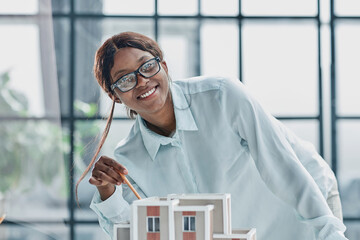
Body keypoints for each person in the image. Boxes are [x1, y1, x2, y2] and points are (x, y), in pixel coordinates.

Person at [76, 31, 347, 240]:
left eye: (147, 66)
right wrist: (107, 192)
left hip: (309, 205)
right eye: (125, 79)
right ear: (115, 96)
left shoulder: (222, 96)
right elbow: (138, 231)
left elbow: (282, 167)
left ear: (165, 67)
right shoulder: (130, 158)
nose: (143, 81)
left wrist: (330, 231)